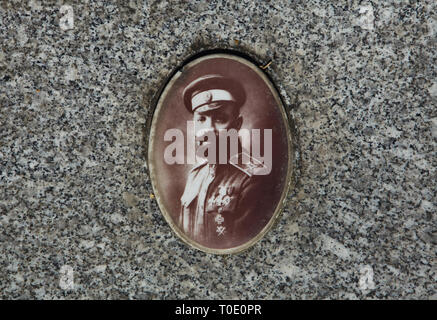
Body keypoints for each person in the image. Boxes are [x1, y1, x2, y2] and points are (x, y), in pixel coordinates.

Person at [178, 74, 270, 249]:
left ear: (237, 125)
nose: (209, 129)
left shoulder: (253, 178)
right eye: (201, 119)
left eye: (220, 119)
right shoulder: (195, 175)